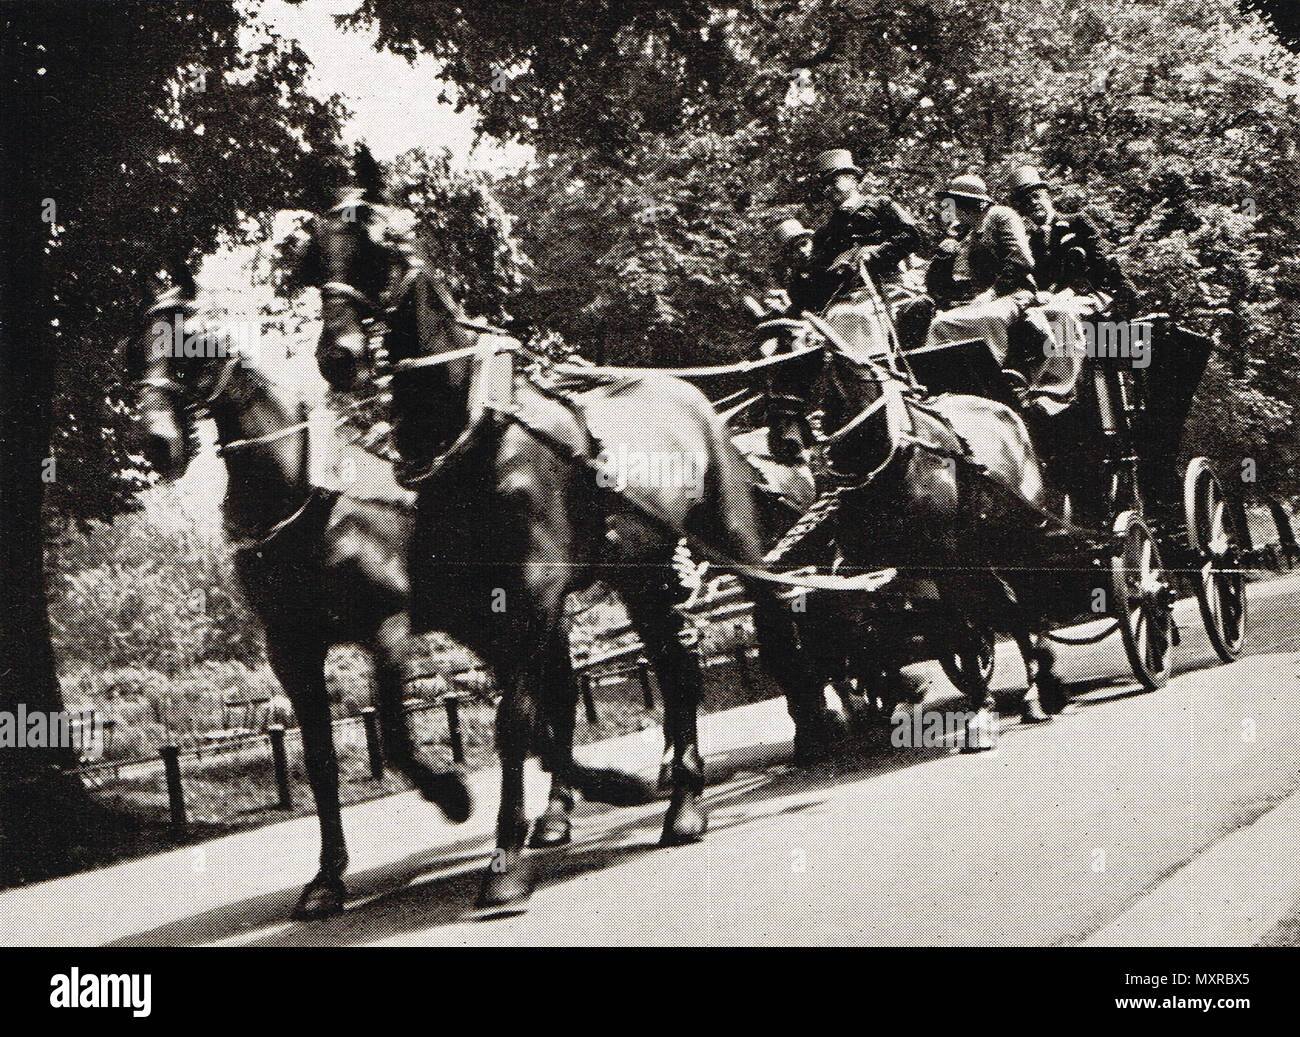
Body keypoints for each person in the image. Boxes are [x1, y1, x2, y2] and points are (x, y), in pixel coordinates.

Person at [924, 173, 1052, 371]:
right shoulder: (968, 233)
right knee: (940, 323)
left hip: (1014, 294)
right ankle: (941, 379)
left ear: (967, 204)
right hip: (984, 298)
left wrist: (992, 293)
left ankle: (992, 376)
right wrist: (944, 254)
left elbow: (1022, 260)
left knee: (984, 319)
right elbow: (943, 283)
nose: (952, 212)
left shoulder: (1001, 216)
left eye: (954, 204)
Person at [808, 149, 925, 311]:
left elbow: (911, 236)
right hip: (847, 296)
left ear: (853, 180)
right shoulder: (826, 231)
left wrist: (873, 254)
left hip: (889, 286)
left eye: (833, 181)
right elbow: (818, 269)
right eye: (824, 186)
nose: (828, 189)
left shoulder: (882, 206)